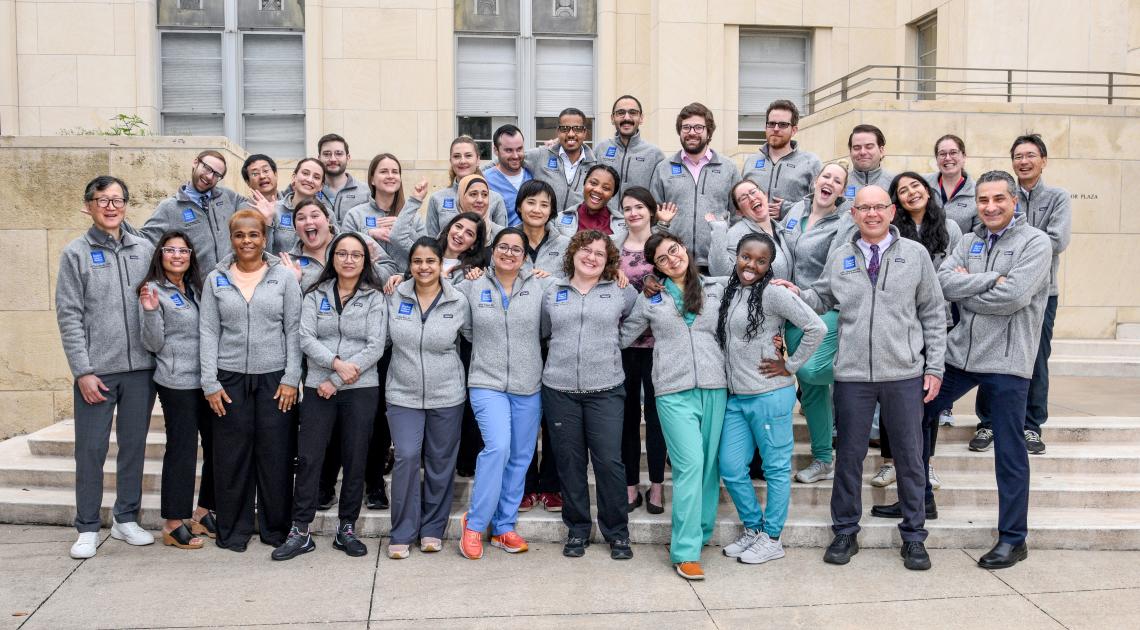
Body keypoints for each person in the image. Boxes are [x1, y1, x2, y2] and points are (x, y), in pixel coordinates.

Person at [776, 185, 946, 571]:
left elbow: (934, 313)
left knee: (910, 457)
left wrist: (934, 367)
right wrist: (797, 292)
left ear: (891, 211)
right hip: (853, 375)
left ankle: (914, 537)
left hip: (903, 373)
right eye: (864, 208)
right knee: (849, 457)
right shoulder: (841, 256)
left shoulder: (914, 254)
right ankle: (845, 531)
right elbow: (823, 297)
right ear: (853, 213)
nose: (872, 214)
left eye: (878, 207)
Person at [926, 170, 1052, 569]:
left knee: (1009, 449)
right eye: (983, 200)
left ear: (1014, 200)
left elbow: (1013, 297)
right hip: (959, 354)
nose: (990, 207)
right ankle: (919, 498)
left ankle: (1013, 538)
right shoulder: (968, 240)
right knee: (917, 410)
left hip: (1007, 360)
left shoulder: (1036, 242)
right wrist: (990, 280)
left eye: (999, 199)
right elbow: (942, 283)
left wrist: (969, 288)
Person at [57, 176, 157, 559]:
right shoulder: (75, 253)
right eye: (103, 200)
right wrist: (82, 370)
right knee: (91, 449)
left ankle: (125, 518)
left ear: (126, 205)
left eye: (118, 200)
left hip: (141, 370)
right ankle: (86, 526)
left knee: (133, 448)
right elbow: (69, 315)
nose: (111, 206)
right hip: (96, 372)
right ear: (89, 206)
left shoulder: (144, 249)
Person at [272, 232, 388, 561]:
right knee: (309, 458)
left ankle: (346, 528)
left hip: (360, 389)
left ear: (365, 261)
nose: (348, 260)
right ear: (332, 258)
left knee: (355, 458)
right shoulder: (315, 293)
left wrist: (336, 380)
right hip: (317, 387)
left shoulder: (375, 297)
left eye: (356, 255)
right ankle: (300, 530)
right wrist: (335, 365)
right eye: (342, 254)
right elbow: (305, 337)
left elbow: (375, 346)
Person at [619, 234, 727, 581]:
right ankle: (685, 551)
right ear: (657, 267)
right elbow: (623, 335)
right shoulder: (651, 297)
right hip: (672, 391)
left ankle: (701, 531)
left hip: (714, 387)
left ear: (684, 249)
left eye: (674, 251)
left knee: (708, 467)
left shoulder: (717, 287)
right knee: (690, 465)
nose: (672, 259)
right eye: (662, 259)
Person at [717, 232, 825, 566]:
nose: (751, 265)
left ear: (769, 265)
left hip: (769, 394)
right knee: (730, 467)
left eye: (761, 261)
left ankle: (772, 537)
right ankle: (753, 527)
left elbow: (816, 327)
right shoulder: (730, 289)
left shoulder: (774, 293)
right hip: (736, 396)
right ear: (736, 256)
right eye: (746, 257)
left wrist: (790, 365)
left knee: (776, 469)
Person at [199, 209, 302, 552]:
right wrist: (210, 382)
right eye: (240, 235)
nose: (247, 241)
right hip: (229, 380)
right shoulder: (216, 280)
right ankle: (233, 531)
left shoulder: (283, 277)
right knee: (231, 457)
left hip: (275, 379)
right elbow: (208, 332)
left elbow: (294, 329)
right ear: (231, 239)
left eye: (253, 234)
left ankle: (276, 530)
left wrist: (291, 377)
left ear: (264, 238)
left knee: (276, 455)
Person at [971, 134, 1071, 455]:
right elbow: (985, 231)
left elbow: (1056, 241)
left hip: (1041, 293)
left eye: (1030, 155)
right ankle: (987, 422)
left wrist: (1017, 244)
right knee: (989, 353)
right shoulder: (1002, 194)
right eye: (1018, 156)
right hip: (998, 288)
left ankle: (1031, 426)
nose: (1023, 161)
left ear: (1044, 160)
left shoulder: (1057, 197)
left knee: (1035, 357)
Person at [541, 231, 637, 560]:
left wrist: (614, 343)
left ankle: (617, 533)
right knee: (570, 463)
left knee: (609, 461)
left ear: (608, 260)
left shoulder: (621, 290)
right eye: (586, 250)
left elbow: (639, 318)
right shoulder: (552, 290)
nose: (591, 257)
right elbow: (544, 330)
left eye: (599, 253)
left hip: (606, 389)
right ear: (573, 252)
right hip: (560, 389)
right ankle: (578, 529)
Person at [456, 228, 550, 559]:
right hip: (486, 381)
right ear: (493, 251)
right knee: (497, 447)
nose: (509, 253)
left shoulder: (540, 286)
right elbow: (465, 328)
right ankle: (474, 524)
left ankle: (504, 526)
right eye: (503, 247)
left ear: (525, 256)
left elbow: (548, 327)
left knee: (521, 456)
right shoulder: (472, 286)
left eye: (516, 249)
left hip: (528, 384)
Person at [869, 173, 962, 496]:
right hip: (899, 321)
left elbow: (956, 276)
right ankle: (890, 461)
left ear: (927, 190)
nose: (911, 193)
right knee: (891, 390)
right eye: (902, 191)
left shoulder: (950, 228)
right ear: (896, 202)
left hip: (937, 318)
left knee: (927, 395)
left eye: (915, 186)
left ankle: (927, 461)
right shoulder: (893, 231)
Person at [383, 237, 471, 559]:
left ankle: (432, 528)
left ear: (440, 264)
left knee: (440, 462)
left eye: (430, 261)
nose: (424, 267)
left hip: (447, 394)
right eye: (417, 261)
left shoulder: (458, 300)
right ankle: (402, 531)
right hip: (402, 393)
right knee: (406, 456)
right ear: (410, 265)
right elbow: (381, 340)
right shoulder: (394, 295)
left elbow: (473, 338)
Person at [138, 231, 215, 550]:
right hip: (176, 382)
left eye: (183, 251)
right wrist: (150, 311)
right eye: (170, 250)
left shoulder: (196, 287)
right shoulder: (153, 290)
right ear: (160, 255)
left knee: (216, 445)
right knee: (182, 449)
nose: (177, 256)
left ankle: (203, 512)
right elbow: (152, 343)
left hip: (206, 380)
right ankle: (172, 523)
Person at [779, 163, 853, 483]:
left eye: (837, 181)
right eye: (826, 176)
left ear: (842, 191)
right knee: (811, 391)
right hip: (791, 310)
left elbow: (836, 266)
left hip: (825, 307)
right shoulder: (796, 210)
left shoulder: (845, 221)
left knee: (809, 371)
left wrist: (807, 296)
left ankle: (861, 378)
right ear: (815, 181)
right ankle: (823, 459)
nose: (830, 183)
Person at [513, 180, 568, 512]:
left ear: (552, 211)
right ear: (519, 206)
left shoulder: (565, 244)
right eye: (531, 202)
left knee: (554, 416)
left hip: (555, 339)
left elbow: (579, 280)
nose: (537, 209)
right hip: (518, 341)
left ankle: (551, 484)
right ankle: (524, 484)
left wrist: (552, 280)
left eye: (544, 204)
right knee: (523, 418)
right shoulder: (506, 241)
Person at [616, 187, 668, 516]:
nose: (633, 213)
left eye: (639, 207)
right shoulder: (613, 247)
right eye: (627, 208)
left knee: (657, 418)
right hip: (623, 344)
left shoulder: (663, 243)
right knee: (627, 417)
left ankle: (657, 486)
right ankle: (630, 485)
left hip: (659, 344)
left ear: (651, 210)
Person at [650, 102, 741, 270]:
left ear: (709, 131)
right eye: (686, 127)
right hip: (674, 262)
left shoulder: (728, 168)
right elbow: (653, 216)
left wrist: (730, 249)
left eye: (698, 127)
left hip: (717, 261)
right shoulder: (663, 168)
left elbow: (738, 216)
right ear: (680, 131)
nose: (692, 132)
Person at [143, 150, 250, 271]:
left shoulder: (227, 196)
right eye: (207, 168)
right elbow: (146, 241)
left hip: (230, 279)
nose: (209, 177)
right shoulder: (169, 207)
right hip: (195, 282)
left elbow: (251, 207)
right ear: (195, 163)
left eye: (216, 175)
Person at [342, 153, 429, 271]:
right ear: (372, 180)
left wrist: (402, 227)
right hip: (369, 280)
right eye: (383, 172)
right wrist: (368, 234)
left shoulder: (414, 217)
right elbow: (342, 251)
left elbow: (427, 253)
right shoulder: (354, 215)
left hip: (407, 280)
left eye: (395, 172)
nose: (390, 176)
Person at [740, 99, 822, 220]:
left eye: (783, 125)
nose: (776, 129)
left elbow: (821, 204)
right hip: (753, 230)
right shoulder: (750, 162)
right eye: (771, 124)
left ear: (794, 130)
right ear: (765, 127)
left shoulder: (810, 162)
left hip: (791, 231)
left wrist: (788, 209)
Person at [423, 136, 508, 237]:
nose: (462, 161)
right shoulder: (437, 198)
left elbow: (502, 239)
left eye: (468, 156)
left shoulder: (495, 199)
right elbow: (431, 241)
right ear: (450, 161)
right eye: (456, 156)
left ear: (478, 160)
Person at [708, 179, 791, 279]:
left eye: (753, 192)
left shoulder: (781, 230)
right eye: (743, 198)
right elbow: (720, 272)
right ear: (739, 212)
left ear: (765, 195)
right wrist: (718, 230)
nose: (751, 198)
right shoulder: (738, 234)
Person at [594, 95, 665, 203]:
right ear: (612, 118)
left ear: (641, 118)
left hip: (638, 214)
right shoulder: (600, 149)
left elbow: (659, 197)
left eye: (633, 112)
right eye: (621, 113)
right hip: (604, 214)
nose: (626, 118)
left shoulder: (655, 154)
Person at [525, 107, 599, 210]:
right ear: (558, 132)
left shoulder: (595, 166)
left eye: (577, 129)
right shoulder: (540, 155)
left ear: (585, 132)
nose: (571, 134)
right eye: (565, 129)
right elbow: (510, 157)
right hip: (544, 220)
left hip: (578, 221)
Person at [552, 164, 627, 243]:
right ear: (584, 183)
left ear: (613, 194)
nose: (597, 190)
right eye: (593, 183)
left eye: (606, 188)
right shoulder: (558, 219)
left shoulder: (625, 225)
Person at [269, 158, 326, 256]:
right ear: (294, 177)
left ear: (321, 186)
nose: (309, 180)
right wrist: (267, 221)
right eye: (305, 173)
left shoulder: (326, 214)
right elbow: (264, 253)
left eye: (316, 177)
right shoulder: (274, 209)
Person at [317, 133, 373, 225]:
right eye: (327, 154)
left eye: (339, 154)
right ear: (319, 158)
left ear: (348, 157)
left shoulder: (367, 192)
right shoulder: (311, 191)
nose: (333, 159)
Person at [925, 135, 976, 233]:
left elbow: (979, 234)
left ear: (964, 156)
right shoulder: (922, 184)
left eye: (953, 152)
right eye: (942, 154)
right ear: (936, 159)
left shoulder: (977, 192)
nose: (948, 158)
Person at [483, 124, 532, 226]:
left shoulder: (533, 173)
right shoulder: (485, 180)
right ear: (496, 150)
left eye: (519, 149)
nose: (515, 156)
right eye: (509, 150)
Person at [847, 124, 895, 196]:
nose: (862, 152)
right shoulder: (839, 184)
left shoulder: (896, 183)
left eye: (869, 147)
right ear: (850, 152)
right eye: (857, 148)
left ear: (881, 151)